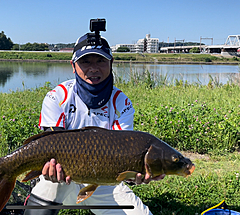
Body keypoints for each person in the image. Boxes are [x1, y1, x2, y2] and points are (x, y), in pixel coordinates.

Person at [23, 33, 165, 215]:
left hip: (105, 182)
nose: (94, 69)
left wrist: (133, 175)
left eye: (100, 61)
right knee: (37, 213)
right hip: (61, 178)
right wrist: (48, 169)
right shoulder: (56, 97)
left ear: (111, 63)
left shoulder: (122, 102)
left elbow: (127, 159)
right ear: (73, 66)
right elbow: (49, 147)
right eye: (85, 62)